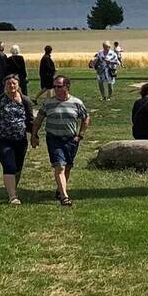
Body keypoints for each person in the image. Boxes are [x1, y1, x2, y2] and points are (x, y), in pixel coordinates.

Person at [32, 75, 90, 207]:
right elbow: (38, 120)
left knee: (68, 166)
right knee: (60, 166)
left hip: (71, 139)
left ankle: (60, 190)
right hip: (54, 139)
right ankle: (64, 197)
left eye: (59, 86)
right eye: (54, 86)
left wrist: (80, 135)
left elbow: (86, 118)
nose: (56, 89)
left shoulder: (77, 103)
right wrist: (34, 135)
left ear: (66, 87)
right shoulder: (48, 103)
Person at [0, 73, 34, 205]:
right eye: (8, 84)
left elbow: (30, 120)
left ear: (18, 85)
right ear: (4, 86)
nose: (11, 86)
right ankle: (12, 197)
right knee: (9, 165)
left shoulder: (25, 100)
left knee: (17, 166)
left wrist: (34, 135)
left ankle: (12, 189)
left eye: (14, 83)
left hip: (20, 140)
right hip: (2, 139)